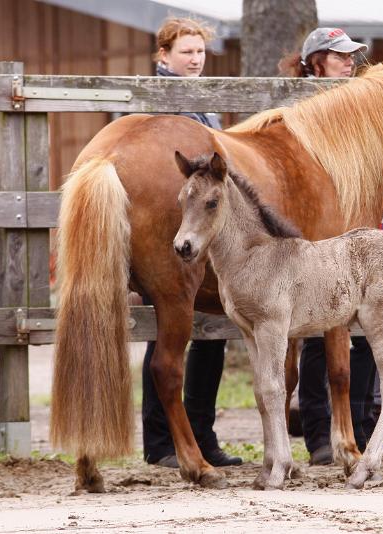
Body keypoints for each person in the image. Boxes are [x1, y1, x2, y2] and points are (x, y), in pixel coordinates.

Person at [280, 28, 383, 465]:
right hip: (315, 231)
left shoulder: (354, 105)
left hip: (353, 223)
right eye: (338, 57)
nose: (349, 62)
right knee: (318, 337)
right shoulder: (301, 107)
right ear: (316, 63)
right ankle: (318, 432)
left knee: (362, 327)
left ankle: (359, 424)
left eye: (352, 55)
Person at [140, 16, 241, 468]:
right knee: (169, 328)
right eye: (186, 52)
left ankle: (200, 434)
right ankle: (161, 439)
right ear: (163, 56)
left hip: (202, 227)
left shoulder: (204, 101)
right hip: (175, 224)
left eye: (199, 51)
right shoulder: (161, 98)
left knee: (209, 334)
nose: (195, 59)